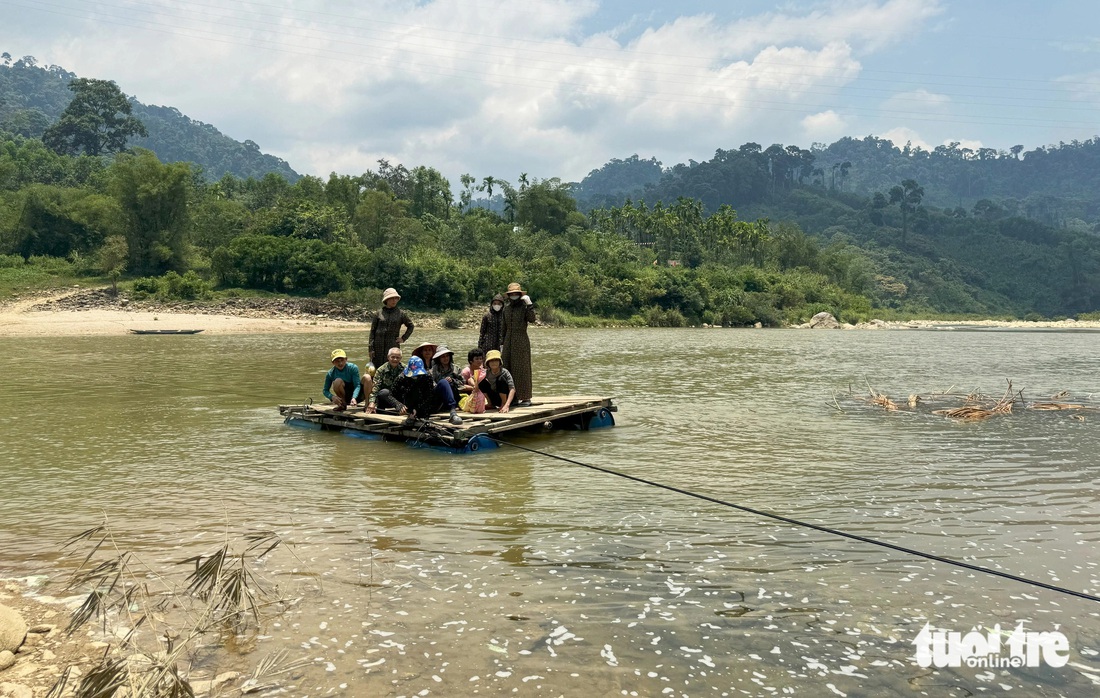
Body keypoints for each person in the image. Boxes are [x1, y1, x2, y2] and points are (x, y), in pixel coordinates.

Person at [393, 356, 463, 425]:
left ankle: (453, 412)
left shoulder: (427, 377)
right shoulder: (401, 378)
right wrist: (401, 406)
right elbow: (395, 394)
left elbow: (429, 396)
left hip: (428, 405)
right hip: (410, 406)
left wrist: (419, 410)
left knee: (443, 382)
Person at [501, 282, 536, 407]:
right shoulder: (506, 309)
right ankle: (513, 398)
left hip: (521, 340)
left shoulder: (524, 308)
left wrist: (530, 304)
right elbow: (503, 327)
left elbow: (532, 319)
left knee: (522, 369)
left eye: (516, 293)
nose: (514, 295)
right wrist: (501, 343)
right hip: (508, 341)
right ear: (509, 295)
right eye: (512, 294)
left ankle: (525, 398)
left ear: (520, 295)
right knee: (507, 368)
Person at [368, 287, 415, 368]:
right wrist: (370, 348)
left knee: (392, 367)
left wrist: (403, 338)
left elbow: (411, 326)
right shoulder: (378, 313)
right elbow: (372, 332)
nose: (394, 300)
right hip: (377, 347)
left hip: (392, 345)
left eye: (396, 298)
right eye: (391, 298)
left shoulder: (401, 314)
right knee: (375, 369)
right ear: (386, 300)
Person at [367, 346, 404, 414]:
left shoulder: (405, 369)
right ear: (388, 357)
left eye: (397, 357)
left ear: (401, 358)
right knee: (383, 392)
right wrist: (372, 402)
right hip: (385, 398)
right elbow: (375, 388)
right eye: (392, 357)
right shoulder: (381, 370)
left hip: (399, 398)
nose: (395, 359)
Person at [460, 348, 488, 414]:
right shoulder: (466, 372)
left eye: (481, 359)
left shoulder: (482, 370)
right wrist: (474, 387)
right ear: (471, 361)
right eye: (477, 359)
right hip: (469, 394)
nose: (479, 361)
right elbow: (461, 386)